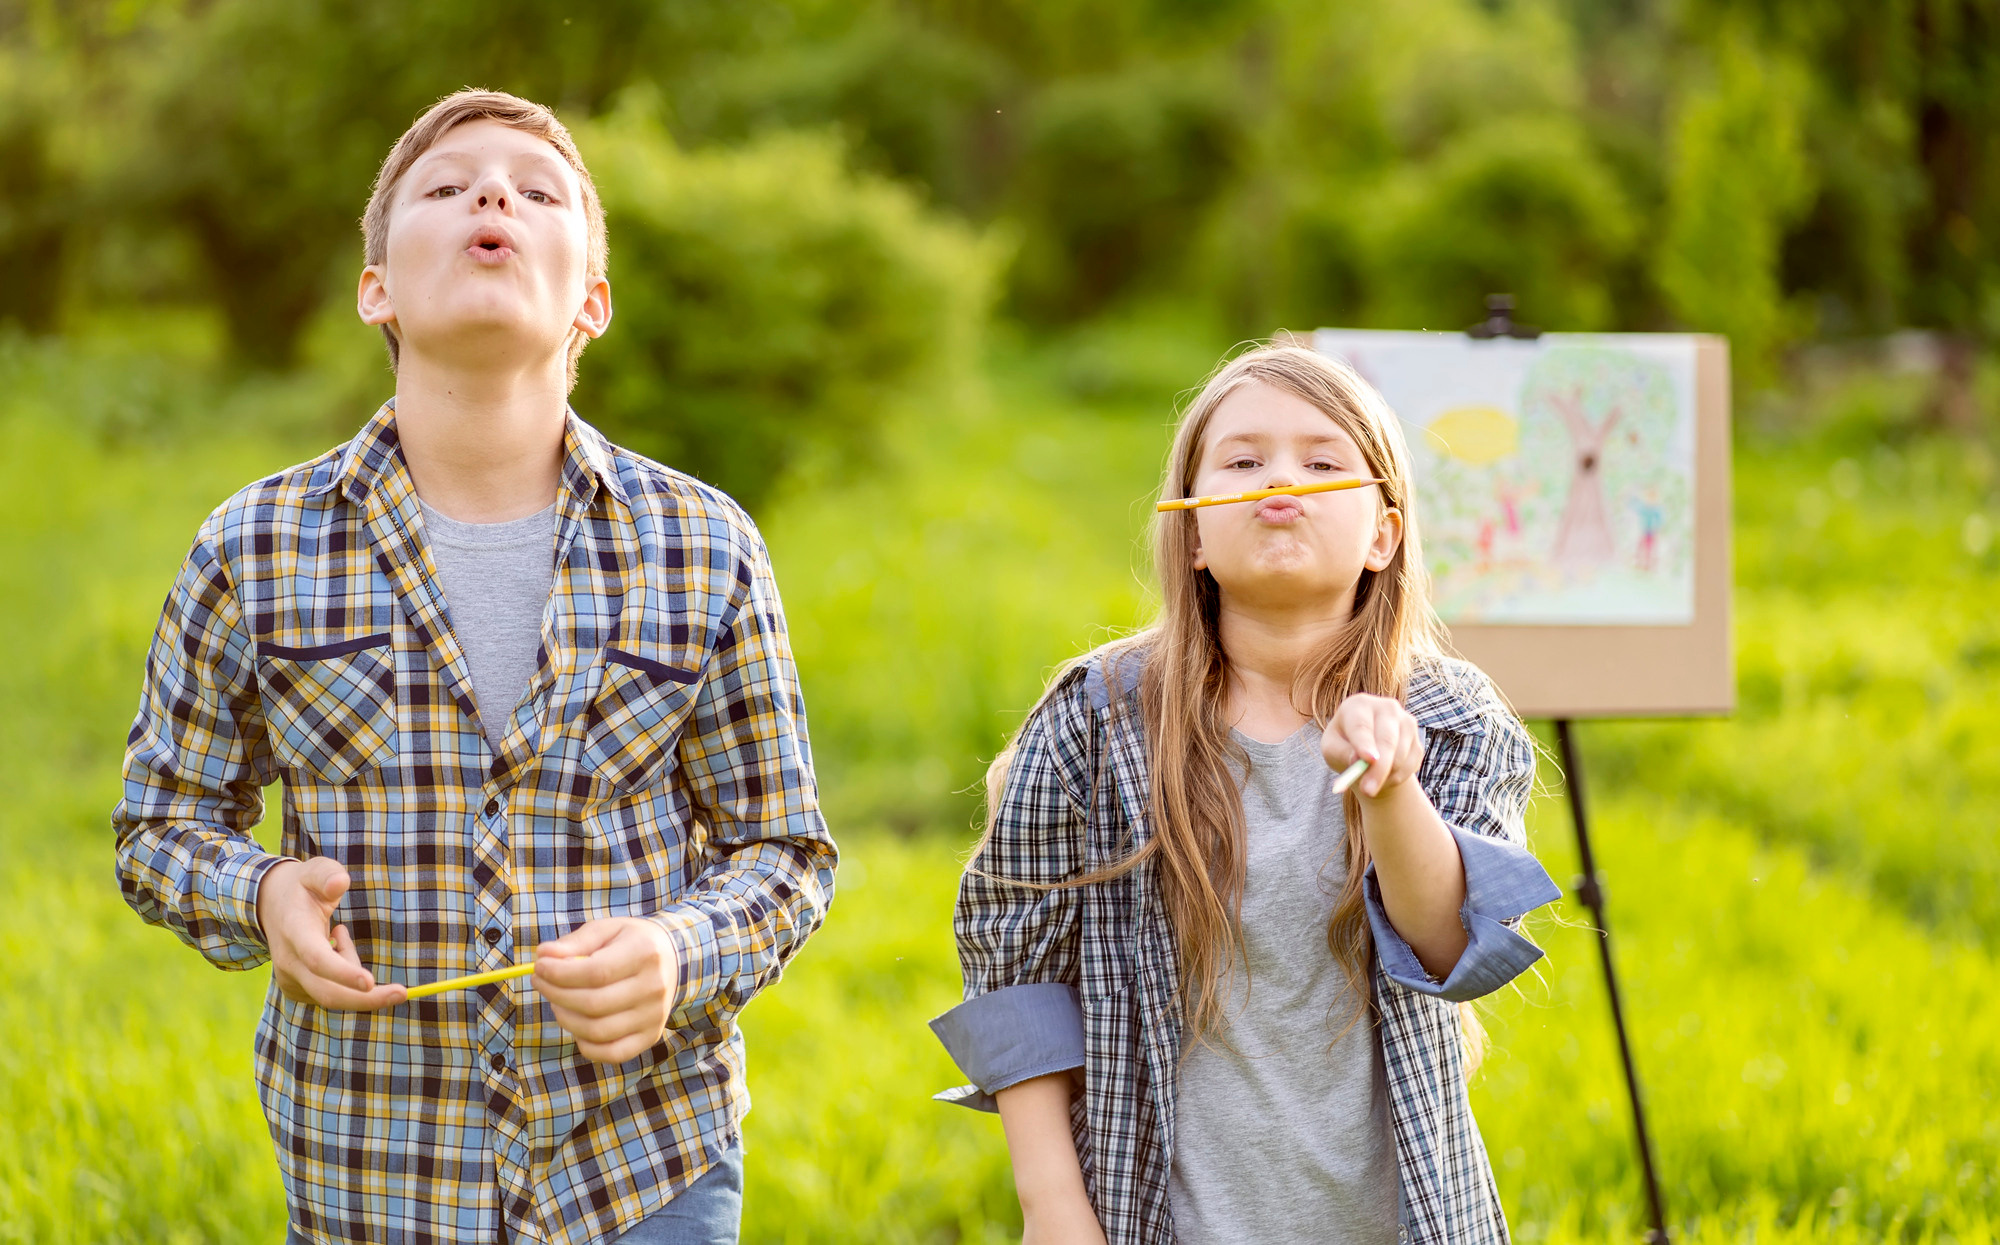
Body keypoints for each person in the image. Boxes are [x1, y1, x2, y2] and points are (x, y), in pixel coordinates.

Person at [112, 89, 836, 1245]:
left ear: (591, 300)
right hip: (373, 1168)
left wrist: (675, 949)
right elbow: (158, 824)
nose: (492, 195)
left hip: (646, 1165)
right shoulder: (254, 545)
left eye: (537, 192)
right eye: (445, 189)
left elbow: (784, 852)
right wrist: (259, 892)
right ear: (377, 290)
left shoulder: (706, 544)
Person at [930, 340, 1560, 1245]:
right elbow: (1016, 970)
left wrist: (1391, 792)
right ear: (1192, 531)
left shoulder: (1448, 714)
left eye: (1322, 460)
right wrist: (1052, 1206)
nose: (1281, 480)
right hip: (1153, 1216)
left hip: (1397, 1218)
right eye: (1242, 459)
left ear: (1384, 532)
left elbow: (1451, 944)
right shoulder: (1096, 718)